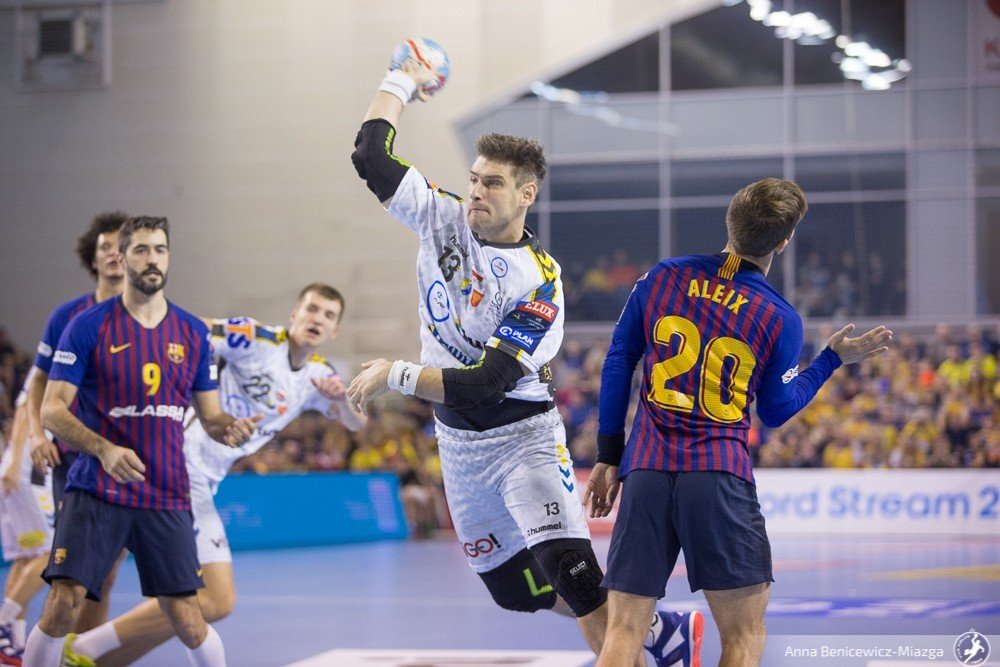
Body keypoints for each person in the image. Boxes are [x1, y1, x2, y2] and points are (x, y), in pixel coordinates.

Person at [347, 57, 700, 666]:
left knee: (572, 573)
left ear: (526, 194)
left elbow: (487, 384)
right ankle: (657, 632)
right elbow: (369, 156)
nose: (476, 192)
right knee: (514, 592)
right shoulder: (441, 214)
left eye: (493, 184)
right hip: (459, 448)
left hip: (520, 439)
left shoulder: (540, 282)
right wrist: (401, 81)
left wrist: (395, 374)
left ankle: (634, 644)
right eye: (474, 179)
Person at [584, 178, 892, 667]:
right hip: (719, 479)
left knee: (622, 632)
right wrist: (830, 360)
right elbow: (775, 411)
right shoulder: (779, 317)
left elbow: (620, 359)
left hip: (645, 473)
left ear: (729, 221)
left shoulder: (663, 277)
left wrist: (608, 453)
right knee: (743, 639)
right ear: (783, 242)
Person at [61, 283, 366, 666]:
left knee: (141, 586)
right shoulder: (256, 338)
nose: (317, 319)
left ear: (335, 330)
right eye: (311, 309)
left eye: (328, 315)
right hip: (175, 466)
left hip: (202, 479)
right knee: (208, 599)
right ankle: (80, 648)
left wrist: (341, 400)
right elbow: (192, 328)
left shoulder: (320, 375)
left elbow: (356, 422)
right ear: (294, 315)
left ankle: (86, 653)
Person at [22, 216, 261, 667]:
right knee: (64, 602)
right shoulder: (87, 325)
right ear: (123, 257)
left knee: (188, 618)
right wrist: (104, 449)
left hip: (165, 493)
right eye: (142, 250)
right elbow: (52, 409)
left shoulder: (192, 333)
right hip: (97, 488)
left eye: (160, 250)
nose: (153, 259)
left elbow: (210, 416)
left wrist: (229, 427)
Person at [24, 211, 129, 635]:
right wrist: (37, 434)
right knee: (70, 573)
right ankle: (21, 629)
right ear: (93, 256)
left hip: (125, 461)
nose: (114, 254)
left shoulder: (147, 317)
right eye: (105, 247)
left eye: (121, 246)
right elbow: (39, 382)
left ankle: (80, 653)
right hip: (73, 460)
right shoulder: (68, 316)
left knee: (106, 573)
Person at [0, 372, 54, 665]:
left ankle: (12, 645)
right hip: (23, 475)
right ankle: (3, 621)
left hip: (23, 474)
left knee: (25, 558)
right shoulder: (48, 365)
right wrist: (15, 463)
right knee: (48, 555)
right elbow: (23, 412)